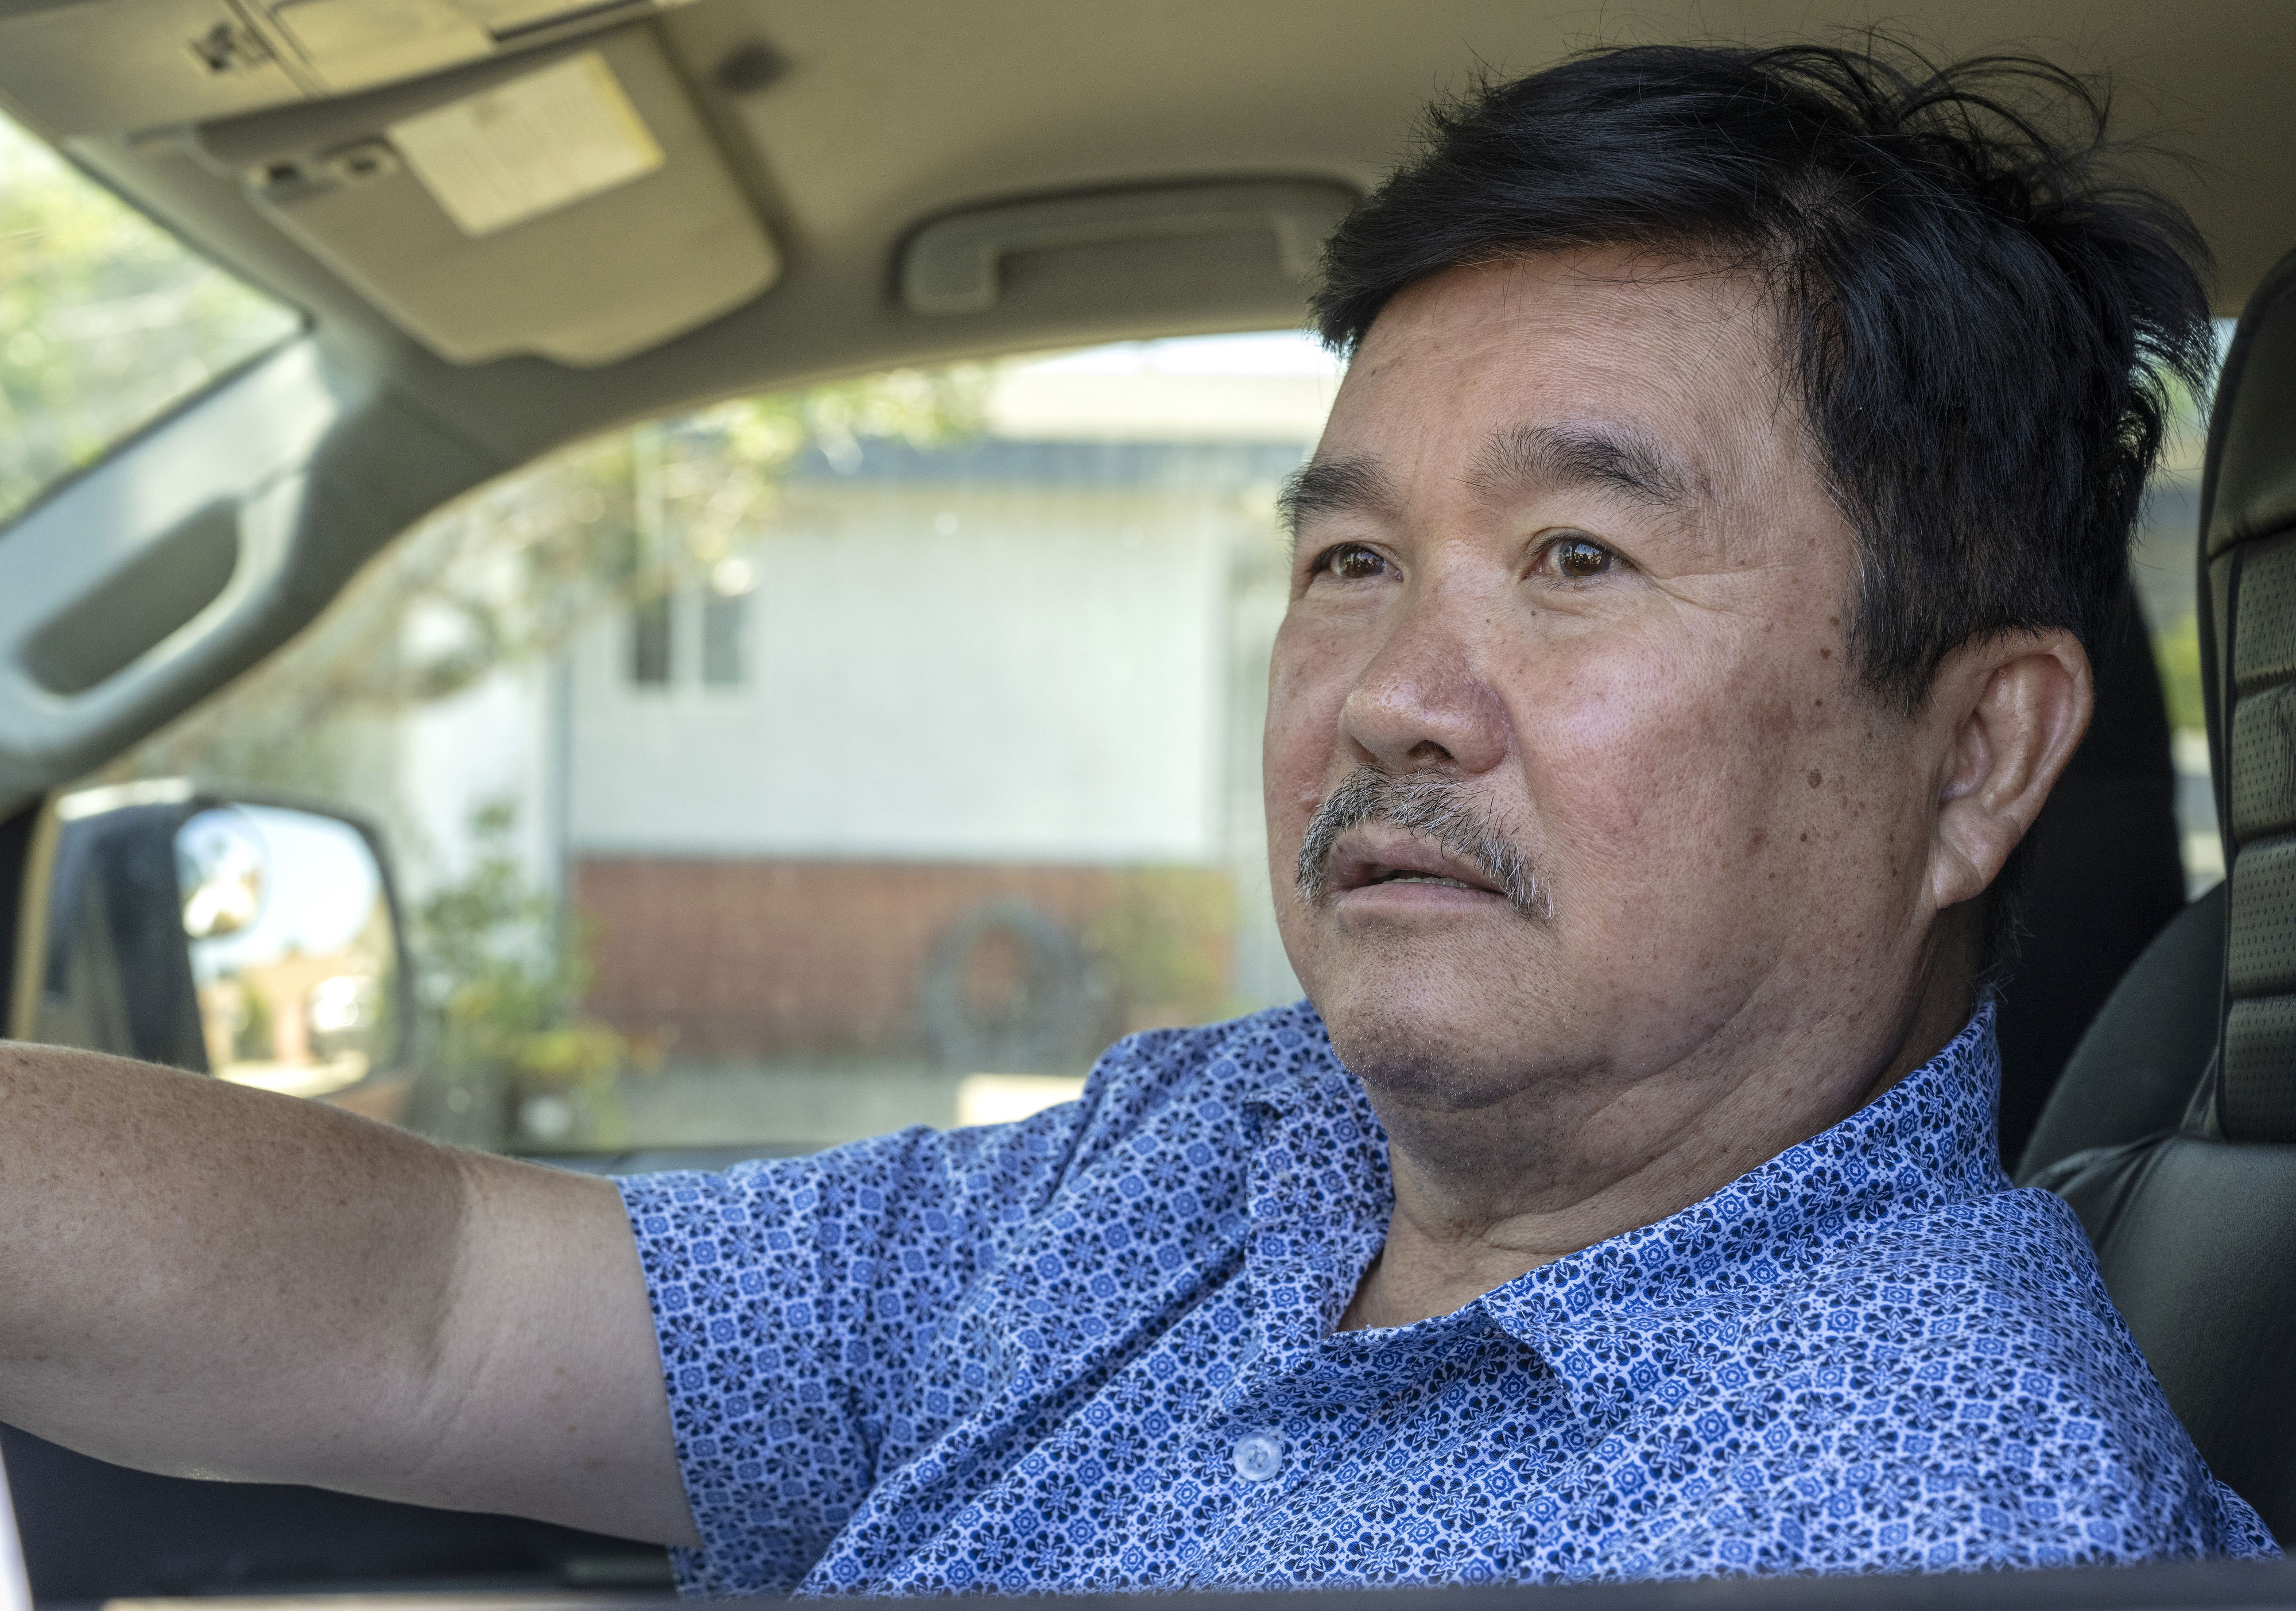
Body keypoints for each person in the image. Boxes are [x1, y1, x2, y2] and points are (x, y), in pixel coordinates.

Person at [0, 38, 2276, 1594]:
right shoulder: (1212, 1156)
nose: (1388, 695)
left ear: (1971, 759)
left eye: (1578, 561)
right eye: (1346, 562)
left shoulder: (1936, 1522)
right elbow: (440, 1301)